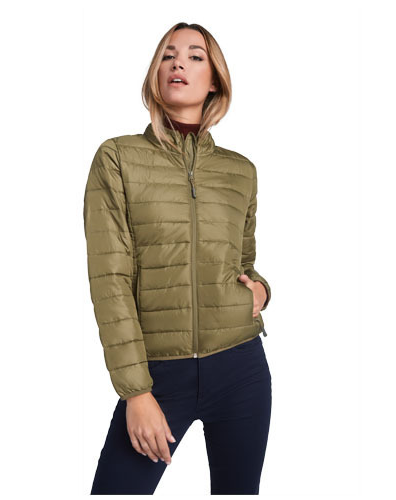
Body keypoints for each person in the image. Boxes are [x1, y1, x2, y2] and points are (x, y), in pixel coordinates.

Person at [83, 22, 272, 495]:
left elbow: (243, 261)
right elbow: (110, 280)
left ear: (215, 82)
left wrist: (262, 288)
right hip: (158, 374)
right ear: (155, 73)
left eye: (194, 56)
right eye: (168, 55)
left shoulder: (240, 171)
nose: (177, 64)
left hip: (242, 367)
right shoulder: (118, 158)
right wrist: (136, 391)